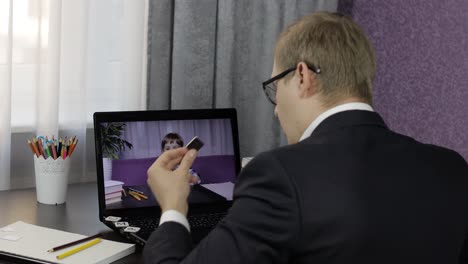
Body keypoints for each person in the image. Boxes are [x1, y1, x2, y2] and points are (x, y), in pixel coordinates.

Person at [144, 12, 468, 263]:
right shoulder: (451, 167)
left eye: (275, 87)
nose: (275, 111)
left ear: (301, 76)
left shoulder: (278, 174)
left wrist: (173, 207)